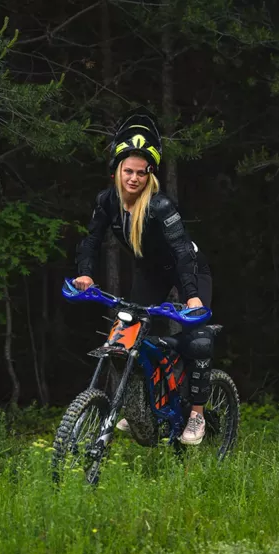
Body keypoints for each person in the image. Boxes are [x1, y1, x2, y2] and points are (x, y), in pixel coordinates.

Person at [73, 108, 214, 445]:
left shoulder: (160, 206)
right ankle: (138, 406)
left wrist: (191, 295)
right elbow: (91, 241)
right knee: (126, 335)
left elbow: (182, 252)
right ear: (117, 172)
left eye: (141, 172)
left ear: (149, 175)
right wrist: (85, 275)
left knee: (198, 339)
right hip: (151, 273)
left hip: (189, 268)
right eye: (128, 171)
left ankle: (197, 415)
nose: (133, 178)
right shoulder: (107, 202)